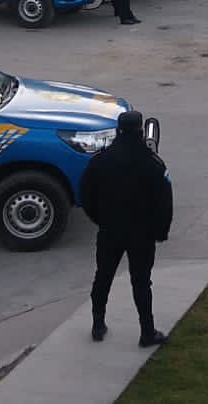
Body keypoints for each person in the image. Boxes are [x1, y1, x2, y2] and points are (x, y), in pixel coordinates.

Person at [80, 109, 172, 347]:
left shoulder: (101, 161)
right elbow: (164, 202)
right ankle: (147, 331)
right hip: (142, 234)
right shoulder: (152, 164)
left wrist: (100, 219)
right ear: (141, 131)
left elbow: (86, 194)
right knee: (142, 282)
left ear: (118, 131)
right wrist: (160, 231)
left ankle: (98, 324)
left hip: (110, 230)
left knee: (103, 277)